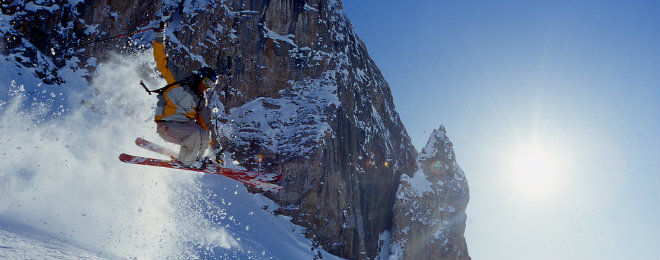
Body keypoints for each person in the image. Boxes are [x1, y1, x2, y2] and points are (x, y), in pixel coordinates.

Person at [151, 22, 218, 168]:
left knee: (204, 135)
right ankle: (188, 161)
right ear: (200, 77)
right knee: (194, 133)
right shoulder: (180, 80)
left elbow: (207, 124)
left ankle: (196, 159)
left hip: (184, 127)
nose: (207, 87)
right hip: (166, 124)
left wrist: (217, 149)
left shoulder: (201, 100)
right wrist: (159, 36)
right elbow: (162, 61)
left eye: (212, 85)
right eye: (207, 82)